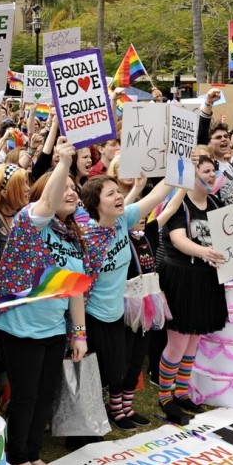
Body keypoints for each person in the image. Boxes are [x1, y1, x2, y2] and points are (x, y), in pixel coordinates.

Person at [0, 138, 88, 465]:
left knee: (46, 394)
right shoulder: (29, 223)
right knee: (26, 395)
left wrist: (79, 334)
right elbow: (47, 201)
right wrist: (63, 162)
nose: (72, 193)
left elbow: (76, 288)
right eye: (66, 188)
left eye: (76, 188)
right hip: (20, 327)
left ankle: (33, 453)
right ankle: (18, 456)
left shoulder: (72, 234)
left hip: (53, 328)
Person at [81, 174, 172, 429]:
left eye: (117, 192)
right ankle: (88, 423)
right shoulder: (86, 236)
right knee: (99, 373)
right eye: (110, 194)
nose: (119, 196)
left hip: (119, 311)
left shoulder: (122, 221)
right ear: (94, 203)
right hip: (93, 315)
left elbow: (157, 196)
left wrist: (180, 165)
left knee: (119, 368)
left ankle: (118, 411)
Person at [156, 156, 227, 422]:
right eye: (206, 171)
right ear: (192, 175)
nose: (212, 175)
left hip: (206, 278)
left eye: (213, 170)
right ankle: (166, 396)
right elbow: (178, 239)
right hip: (181, 277)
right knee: (177, 341)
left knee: (194, 338)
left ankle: (183, 392)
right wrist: (205, 251)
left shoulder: (215, 202)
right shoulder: (179, 203)